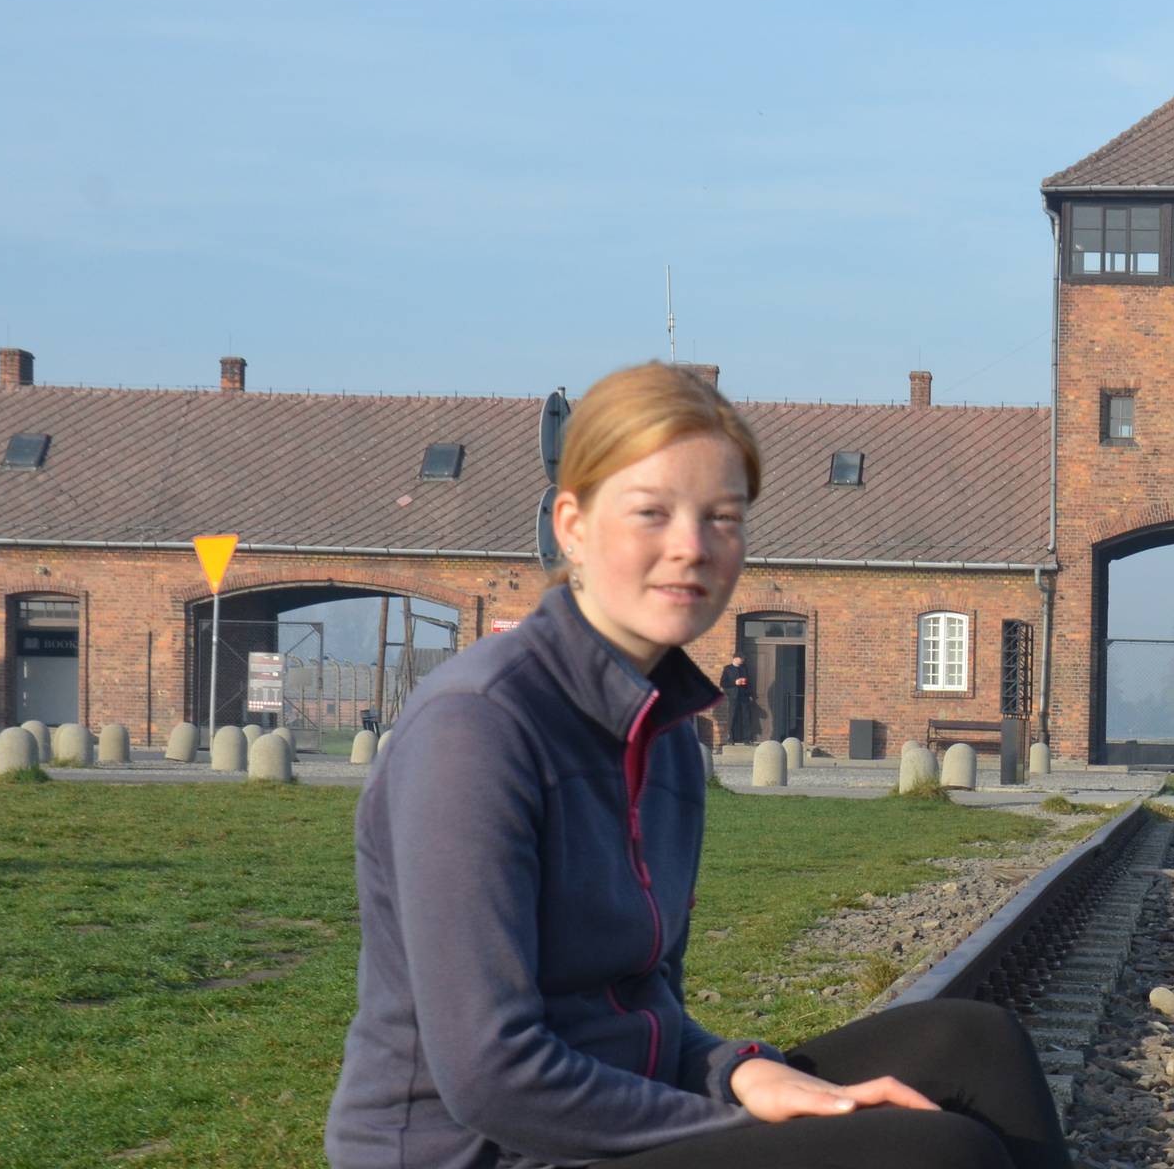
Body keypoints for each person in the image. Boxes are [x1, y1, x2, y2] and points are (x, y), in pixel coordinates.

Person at [327, 363, 1067, 1169]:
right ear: (571, 525)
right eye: (652, 513)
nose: (691, 548)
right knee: (934, 1155)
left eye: (722, 518)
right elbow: (492, 1076)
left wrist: (738, 1069)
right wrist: (756, 1132)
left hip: (613, 1114)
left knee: (971, 1045)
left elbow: (644, 1007)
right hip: (485, 1153)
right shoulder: (477, 729)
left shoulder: (669, 734)